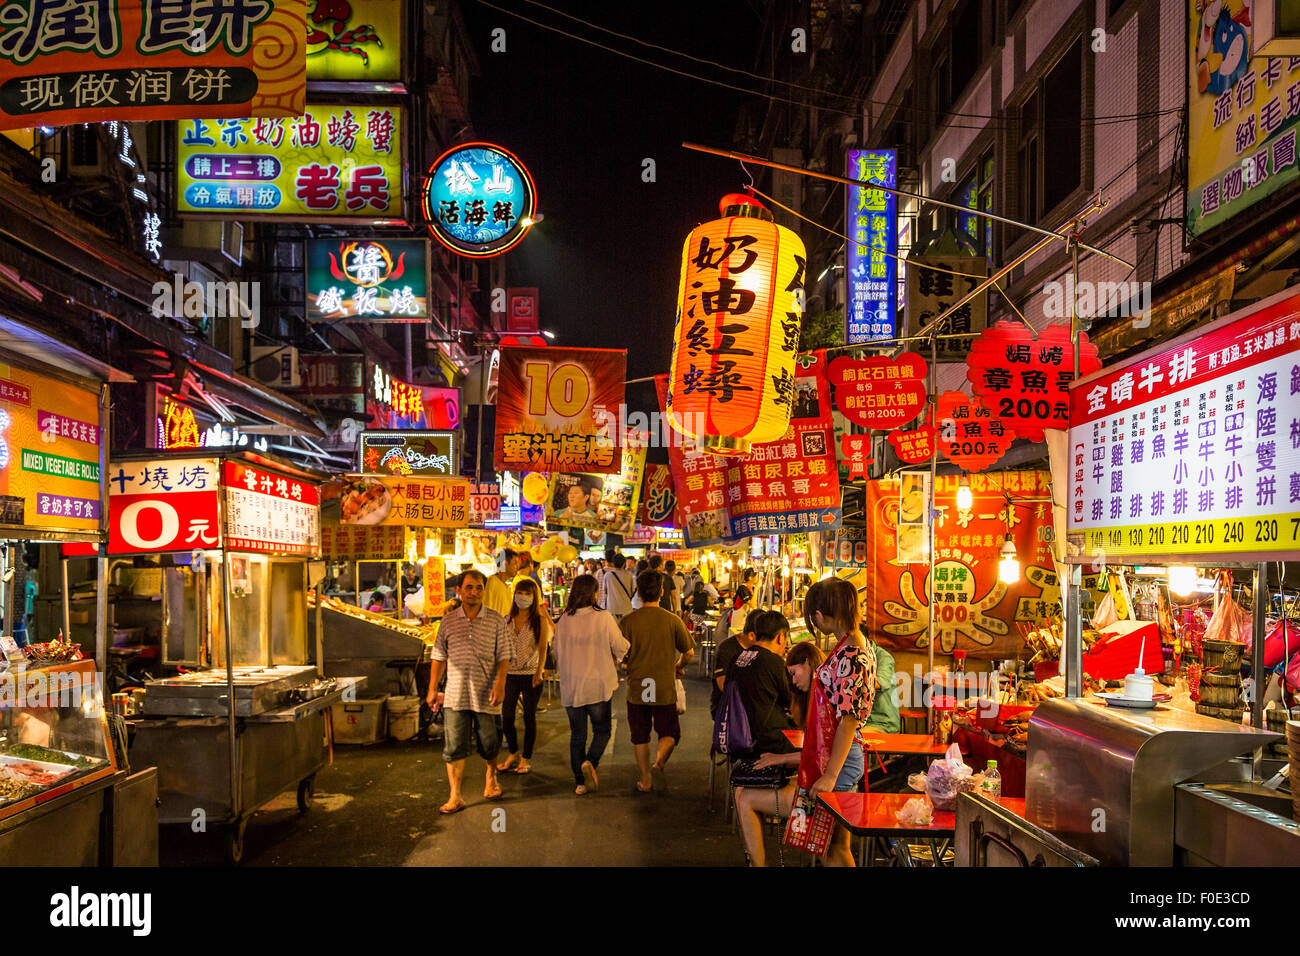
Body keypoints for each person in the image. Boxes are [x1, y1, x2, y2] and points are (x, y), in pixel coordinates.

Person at [426, 569, 514, 814]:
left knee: (489, 742)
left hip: (486, 694)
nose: (474, 592)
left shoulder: (496, 620)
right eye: (469, 587)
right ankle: (455, 795)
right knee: (454, 746)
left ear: (484, 592)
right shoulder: (448, 621)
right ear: (459, 590)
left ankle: (491, 775)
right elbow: (438, 657)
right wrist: (433, 688)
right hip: (455, 694)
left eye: (478, 588)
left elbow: (504, 655)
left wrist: (500, 684)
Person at [733, 640, 825, 867]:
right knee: (742, 794)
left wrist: (781, 758)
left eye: (794, 674)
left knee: (745, 798)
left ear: (807, 663)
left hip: (823, 789)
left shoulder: (822, 701)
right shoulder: (819, 698)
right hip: (821, 782)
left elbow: (822, 755)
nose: (793, 681)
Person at [552, 574, 629, 795]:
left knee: (577, 736)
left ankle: (580, 783)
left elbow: (556, 650)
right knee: (602, 731)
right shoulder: (602, 617)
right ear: (594, 593)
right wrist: (625, 648)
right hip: (597, 685)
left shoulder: (565, 619)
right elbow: (619, 646)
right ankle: (590, 762)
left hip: (572, 686)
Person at [620, 570, 694, 792]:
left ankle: (645, 778)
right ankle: (659, 760)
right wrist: (678, 666)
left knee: (640, 734)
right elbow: (689, 652)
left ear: (639, 594)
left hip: (638, 686)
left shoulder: (628, 621)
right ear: (661, 592)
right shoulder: (672, 620)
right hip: (663, 685)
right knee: (669, 732)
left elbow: (620, 654)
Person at [726, 611, 798, 758]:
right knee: (813, 743)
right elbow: (792, 702)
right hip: (768, 741)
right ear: (780, 637)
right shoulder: (774, 662)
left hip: (736, 735)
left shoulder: (737, 658)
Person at [497, 578, 551, 775]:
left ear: (534, 597)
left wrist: (539, 672)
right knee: (507, 716)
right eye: (520, 593)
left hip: (531, 675)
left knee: (529, 716)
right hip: (510, 674)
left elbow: (543, 648)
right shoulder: (506, 620)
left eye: (528, 594)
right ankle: (513, 752)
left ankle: (526, 758)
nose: (523, 597)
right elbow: (501, 648)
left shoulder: (540, 620)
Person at [710, 608, 760, 719]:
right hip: (727, 708)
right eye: (762, 638)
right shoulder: (727, 648)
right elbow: (722, 684)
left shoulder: (758, 649)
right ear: (751, 635)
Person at [484, 548, 519, 618]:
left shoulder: (507, 588)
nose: (518, 567)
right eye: (515, 563)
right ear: (505, 563)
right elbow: (486, 608)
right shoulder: (492, 581)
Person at [601, 552, 635, 621]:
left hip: (612, 609)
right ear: (624, 563)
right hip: (626, 609)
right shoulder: (629, 575)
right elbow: (632, 591)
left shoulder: (607, 575)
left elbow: (605, 591)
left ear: (613, 563)